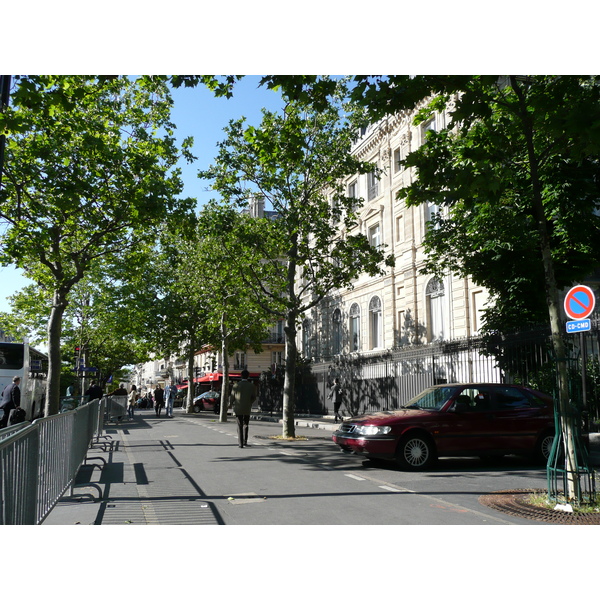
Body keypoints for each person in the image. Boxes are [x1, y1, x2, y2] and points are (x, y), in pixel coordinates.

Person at [229, 370, 257, 448]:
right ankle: (245, 441)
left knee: (239, 425)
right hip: (247, 407)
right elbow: (254, 397)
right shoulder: (252, 386)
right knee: (246, 424)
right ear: (248, 376)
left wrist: (230, 404)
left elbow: (232, 397)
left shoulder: (236, 385)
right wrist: (249, 402)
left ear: (241, 376)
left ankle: (240, 443)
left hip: (238, 407)